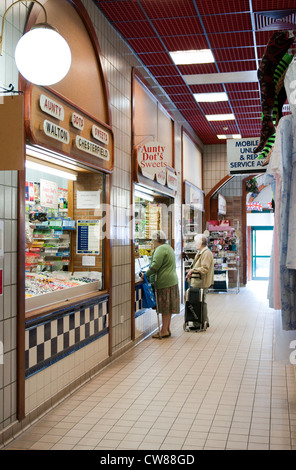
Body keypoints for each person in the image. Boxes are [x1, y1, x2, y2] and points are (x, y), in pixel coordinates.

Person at [140, 230, 180, 338]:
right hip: (172, 280)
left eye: (153, 240)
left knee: (164, 308)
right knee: (168, 308)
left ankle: (163, 331)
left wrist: (145, 275)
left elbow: (155, 266)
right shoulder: (168, 247)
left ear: (156, 240)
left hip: (164, 282)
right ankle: (166, 329)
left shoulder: (160, 249)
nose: (152, 242)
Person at [186, 234, 214, 329]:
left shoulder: (206, 253)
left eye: (196, 242)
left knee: (200, 302)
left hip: (201, 282)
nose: (194, 244)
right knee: (200, 301)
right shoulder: (201, 252)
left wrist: (193, 270)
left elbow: (204, 269)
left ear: (201, 243)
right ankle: (204, 321)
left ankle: (200, 322)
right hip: (197, 281)